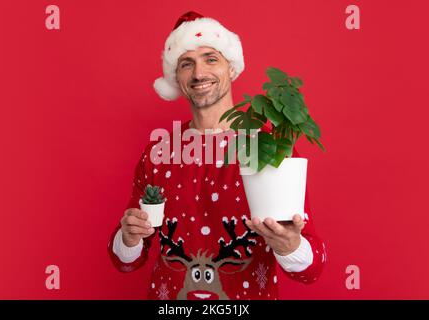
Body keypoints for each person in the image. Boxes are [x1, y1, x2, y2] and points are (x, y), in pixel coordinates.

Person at [107, 11, 326, 300]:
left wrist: (289, 245)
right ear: (177, 77)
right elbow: (126, 261)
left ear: (231, 68)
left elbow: (311, 270)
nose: (199, 74)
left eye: (211, 59)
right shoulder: (158, 153)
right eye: (187, 64)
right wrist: (129, 237)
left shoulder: (269, 145)